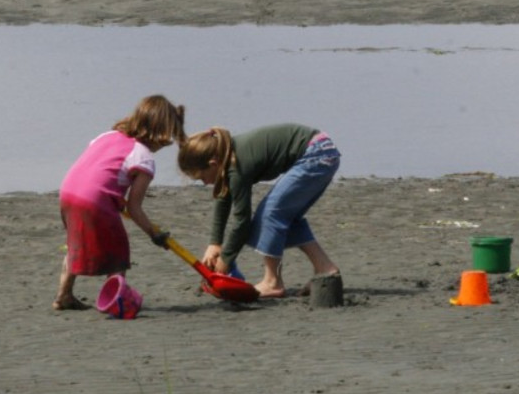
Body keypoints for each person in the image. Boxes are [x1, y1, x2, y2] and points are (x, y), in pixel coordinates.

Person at [52, 95, 185, 310]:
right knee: (118, 251)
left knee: (75, 244)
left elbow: (98, 169)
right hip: (95, 200)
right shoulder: (143, 157)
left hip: (68, 192)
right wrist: (153, 233)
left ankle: (63, 295)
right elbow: (134, 207)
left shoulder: (107, 135)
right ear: (160, 132)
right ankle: (115, 299)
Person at [178, 123, 341, 298]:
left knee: (270, 214)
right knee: (287, 216)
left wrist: (226, 260)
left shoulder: (236, 167)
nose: (204, 183)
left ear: (213, 163)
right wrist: (215, 243)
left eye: (201, 177)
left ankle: (273, 282)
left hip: (315, 155)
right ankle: (325, 269)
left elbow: (242, 222)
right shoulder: (228, 157)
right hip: (323, 150)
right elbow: (223, 198)